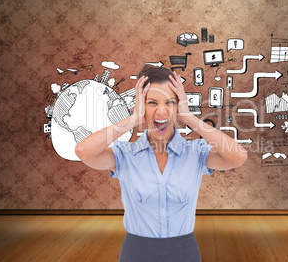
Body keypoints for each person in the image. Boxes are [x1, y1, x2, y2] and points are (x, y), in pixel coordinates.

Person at [75, 65, 248, 262]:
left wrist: (189, 118)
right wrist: (132, 119)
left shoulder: (195, 153)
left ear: (178, 106)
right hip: (136, 252)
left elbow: (238, 157)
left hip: (184, 252)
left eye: (170, 102)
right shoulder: (125, 155)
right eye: (152, 102)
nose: (162, 110)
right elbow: (83, 151)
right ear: (142, 107)